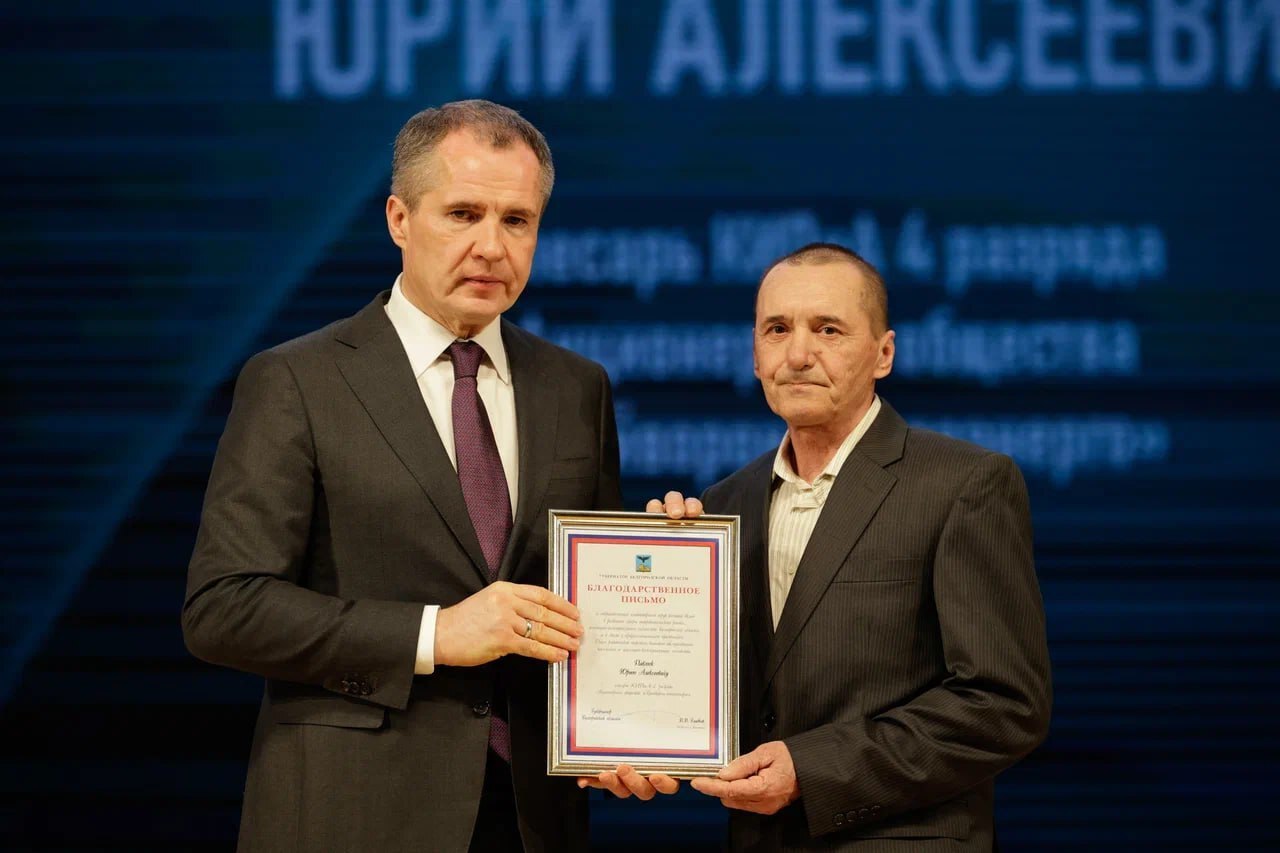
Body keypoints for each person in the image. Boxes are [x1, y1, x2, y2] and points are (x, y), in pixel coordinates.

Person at [183, 100, 621, 852]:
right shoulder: (297, 380)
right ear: (399, 219)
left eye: (517, 220)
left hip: (532, 820)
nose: (491, 246)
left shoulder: (577, 387)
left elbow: (587, 601)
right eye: (463, 214)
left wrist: (626, 722)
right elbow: (224, 607)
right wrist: (435, 633)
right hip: (351, 813)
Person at [587, 243, 1051, 851]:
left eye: (828, 329)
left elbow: (1005, 704)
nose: (799, 354)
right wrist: (631, 738)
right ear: (755, 355)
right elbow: (718, 703)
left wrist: (812, 771)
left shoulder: (963, 483)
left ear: (884, 353)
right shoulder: (723, 504)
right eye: (777, 330)